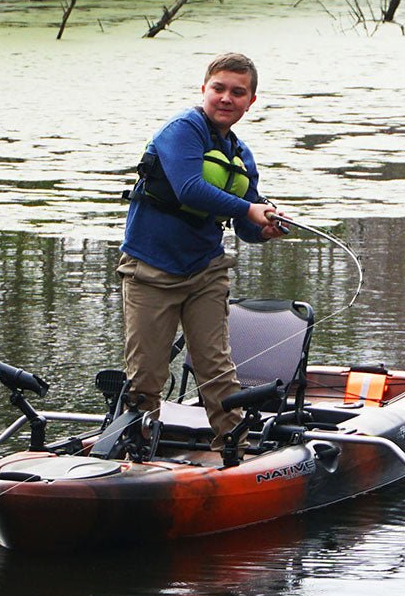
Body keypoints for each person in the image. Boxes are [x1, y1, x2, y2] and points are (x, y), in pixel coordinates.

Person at [117, 52, 286, 452]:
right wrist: (248, 208)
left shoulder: (241, 156)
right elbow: (189, 188)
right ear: (204, 90)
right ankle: (136, 451)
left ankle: (234, 448)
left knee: (217, 369)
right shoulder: (181, 130)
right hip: (150, 270)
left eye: (238, 92)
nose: (227, 98)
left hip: (205, 272)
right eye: (219, 89)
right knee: (147, 374)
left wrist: (265, 228)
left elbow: (247, 228)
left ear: (251, 101)